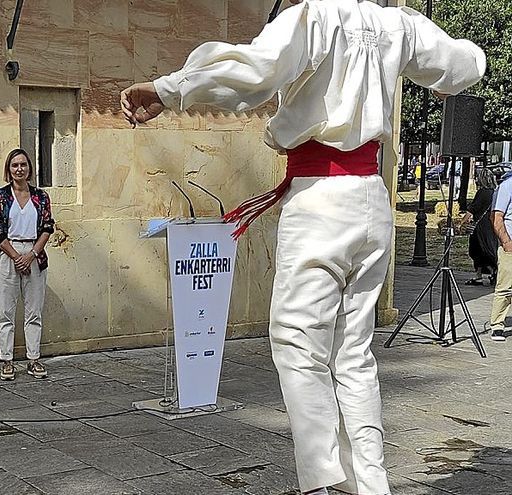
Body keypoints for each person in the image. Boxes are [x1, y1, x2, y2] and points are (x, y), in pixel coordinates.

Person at [120, 1, 485, 494]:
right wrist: (468, 56)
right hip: (373, 198)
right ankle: (370, 485)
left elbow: (252, 73)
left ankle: (323, 482)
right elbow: (462, 65)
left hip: (320, 197)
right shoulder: (397, 23)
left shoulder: (311, 18)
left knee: (297, 343)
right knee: (353, 354)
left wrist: (169, 88)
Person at [0, 149, 55, 381]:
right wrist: (16, 256)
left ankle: (33, 358)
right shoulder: (0, 196)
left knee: (33, 311)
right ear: (9, 169)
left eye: (23, 165)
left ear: (29, 168)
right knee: (5, 311)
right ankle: (7, 360)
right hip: (7, 253)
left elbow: (47, 227)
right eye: (14, 165)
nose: (19, 169)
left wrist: (32, 254)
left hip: (34, 253)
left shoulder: (41, 197)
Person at [463, 168, 498, 286]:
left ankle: (479, 276)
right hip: (491, 225)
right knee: (488, 250)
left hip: (480, 227)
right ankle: (493, 273)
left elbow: (473, 209)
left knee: (476, 251)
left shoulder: (482, 192)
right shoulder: (495, 192)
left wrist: (462, 222)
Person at [489, 171, 512, 342]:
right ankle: (497, 325)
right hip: (510, 244)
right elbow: (496, 217)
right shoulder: (507, 186)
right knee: (505, 286)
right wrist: (506, 242)